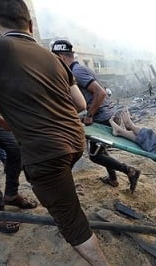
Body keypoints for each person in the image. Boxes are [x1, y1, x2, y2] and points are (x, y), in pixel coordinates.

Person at [0, 1, 108, 264]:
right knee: (61, 190)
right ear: (29, 25)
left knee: (72, 222)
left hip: (46, 152)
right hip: (75, 142)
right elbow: (80, 104)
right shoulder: (53, 57)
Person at [51, 39, 140, 190]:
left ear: (61, 57)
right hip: (106, 115)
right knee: (101, 150)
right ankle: (113, 179)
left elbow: (100, 93)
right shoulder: (78, 69)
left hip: (103, 118)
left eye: (54, 59)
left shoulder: (76, 72)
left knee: (95, 156)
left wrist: (90, 115)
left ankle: (130, 171)